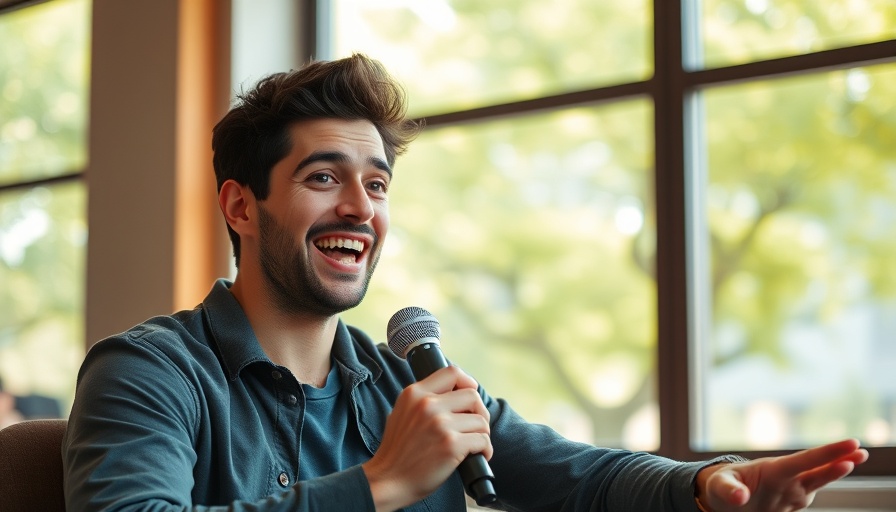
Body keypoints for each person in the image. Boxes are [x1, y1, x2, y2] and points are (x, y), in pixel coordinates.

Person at [62, 54, 868, 511]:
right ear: (241, 205)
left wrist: (706, 484)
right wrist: (380, 483)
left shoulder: (409, 383)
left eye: (377, 185)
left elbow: (580, 476)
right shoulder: (148, 373)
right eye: (323, 177)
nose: (360, 207)